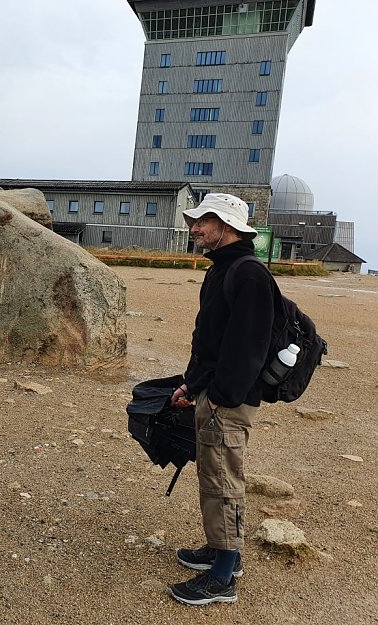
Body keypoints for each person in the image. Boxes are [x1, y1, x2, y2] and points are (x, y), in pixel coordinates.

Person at [167, 193, 275, 606]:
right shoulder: (223, 270)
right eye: (195, 221)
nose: (194, 227)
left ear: (227, 226)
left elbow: (247, 347)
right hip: (213, 394)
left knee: (224, 479)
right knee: (213, 475)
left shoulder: (249, 275)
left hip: (228, 401)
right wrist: (191, 385)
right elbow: (211, 343)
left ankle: (223, 578)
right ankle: (220, 550)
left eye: (203, 221)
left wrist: (219, 399)